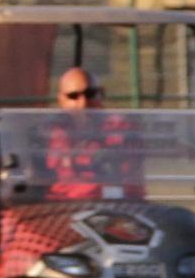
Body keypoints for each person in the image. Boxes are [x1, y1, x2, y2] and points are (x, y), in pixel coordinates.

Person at [45, 67, 140, 199]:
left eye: (90, 94)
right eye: (73, 96)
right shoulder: (48, 132)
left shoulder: (120, 128)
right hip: (62, 208)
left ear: (101, 94)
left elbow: (129, 181)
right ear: (61, 100)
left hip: (111, 205)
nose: (83, 103)